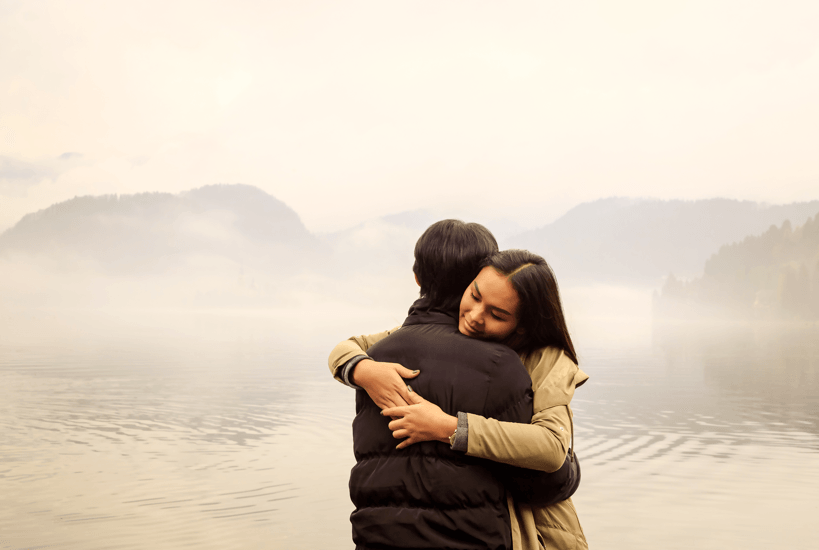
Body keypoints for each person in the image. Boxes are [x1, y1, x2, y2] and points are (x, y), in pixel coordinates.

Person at [336, 220, 573, 550]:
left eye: (497, 313)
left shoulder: (541, 359)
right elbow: (543, 484)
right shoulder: (500, 367)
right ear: (470, 281)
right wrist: (359, 368)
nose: (475, 316)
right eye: (474, 296)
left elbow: (550, 454)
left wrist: (447, 427)